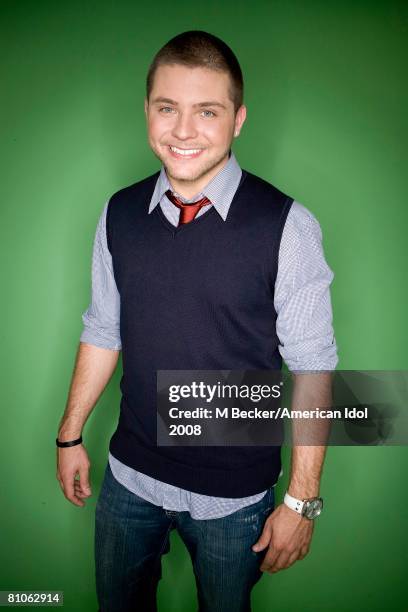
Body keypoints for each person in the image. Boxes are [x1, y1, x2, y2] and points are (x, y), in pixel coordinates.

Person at [56, 30, 338, 612]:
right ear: (148, 112)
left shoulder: (288, 226)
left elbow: (313, 367)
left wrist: (302, 501)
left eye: (206, 111)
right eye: (168, 109)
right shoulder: (118, 214)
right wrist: (70, 433)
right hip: (128, 478)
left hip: (236, 501)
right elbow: (103, 328)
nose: (183, 131)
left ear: (237, 119)